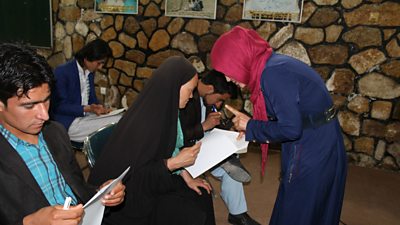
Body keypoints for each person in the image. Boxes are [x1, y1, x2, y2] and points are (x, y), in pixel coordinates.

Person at [210, 26, 347, 225]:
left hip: (313, 145)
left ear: (241, 58)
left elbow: (291, 129)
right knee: (309, 205)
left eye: (228, 71)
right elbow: (289, 115)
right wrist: (251, 126)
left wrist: (252, 127)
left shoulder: (272, 75)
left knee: (299, 207)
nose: (228, 79)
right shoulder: (270, 65)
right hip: (317, 136)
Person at [0, 42, 125, 225]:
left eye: (47, 100)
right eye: (29, 105)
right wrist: (30, 222)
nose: (44, 115)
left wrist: (101, 193)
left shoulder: (55, 133)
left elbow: (77, 189)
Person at [88, 56, 216, 225]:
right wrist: (173, 163)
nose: (191, 97)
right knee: (192, 213)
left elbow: (165, 152)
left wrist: (186, 176)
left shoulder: (167, 111)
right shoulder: (146, 123)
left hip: (155, 179)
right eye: (189, 90)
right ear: (174, 87)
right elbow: (136, 178)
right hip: (129, 200)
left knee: (202, 194)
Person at [180, 70, 261, 225]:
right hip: (184, 151)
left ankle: (238, 214)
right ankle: (225, 162)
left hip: (203, 145)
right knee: (228, 162)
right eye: (219, 100)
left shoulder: (209, 99)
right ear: (210, 89)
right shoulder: (186, 99)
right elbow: (175, 136)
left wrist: (230, 130)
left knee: (230, 161)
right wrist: (203, 127)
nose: (219, 105)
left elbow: (214, 125)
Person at [51, 39, 122, 143]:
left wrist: (100, 108)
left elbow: (92, 99)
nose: (101, 67)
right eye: (99, 63)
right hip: (68, 122)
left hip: (84, 117)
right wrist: (87, 108)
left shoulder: (89, 72)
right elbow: (58, 107)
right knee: (116, 123)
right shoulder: (62, 72)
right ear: (87, 58)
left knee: (120, 117)